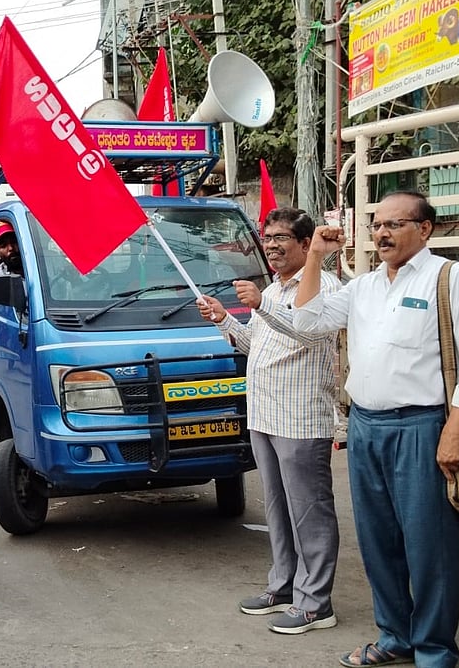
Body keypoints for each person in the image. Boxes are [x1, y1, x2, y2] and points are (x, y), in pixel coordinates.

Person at [291, 190, 459, 668]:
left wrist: (453, 431)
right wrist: (316, 257)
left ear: (424, 230)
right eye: (376, 224)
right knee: (378, 540)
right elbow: (305, 321)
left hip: (422, 426)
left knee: (429, 545)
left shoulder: (451, 278)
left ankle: (435, 649)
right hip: (365, 426)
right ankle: (395, 637)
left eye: (393, 224)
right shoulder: (362, 286)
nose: (381, 233)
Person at [197, 208, 341, 635]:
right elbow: (257, 345)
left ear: (305, 244)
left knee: (310, 512)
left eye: (282, 237)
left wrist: (260, 305)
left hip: (299, 417)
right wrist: (224, 320)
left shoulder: (322, 286)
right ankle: (282, 585)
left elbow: (309, 332)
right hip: (264, 412)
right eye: (268, 237)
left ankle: (316, 603)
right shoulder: (273, 289)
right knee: (278, 510)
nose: (273, 245)